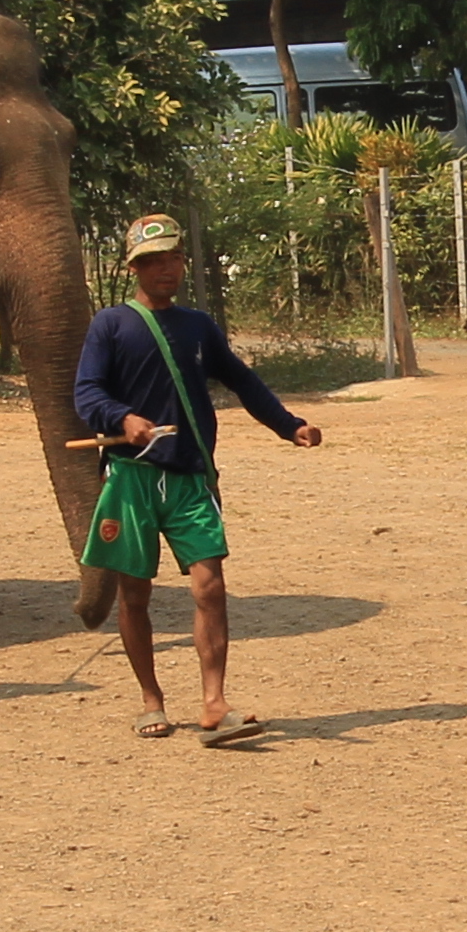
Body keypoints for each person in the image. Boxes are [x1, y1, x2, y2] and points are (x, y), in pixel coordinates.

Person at [72, 213, 323, 740]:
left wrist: (289, 425)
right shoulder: (111, 325)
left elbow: (242, 381)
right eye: (153, 261)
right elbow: (87, 392)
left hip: (189, 478)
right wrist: (123, 419)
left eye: (173, 258)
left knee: (210, 587)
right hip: (131, 477)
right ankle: (151, 699)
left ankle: (214, 702)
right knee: (134, 595)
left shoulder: (198, 326)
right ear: (135, 267)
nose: (166, 269)